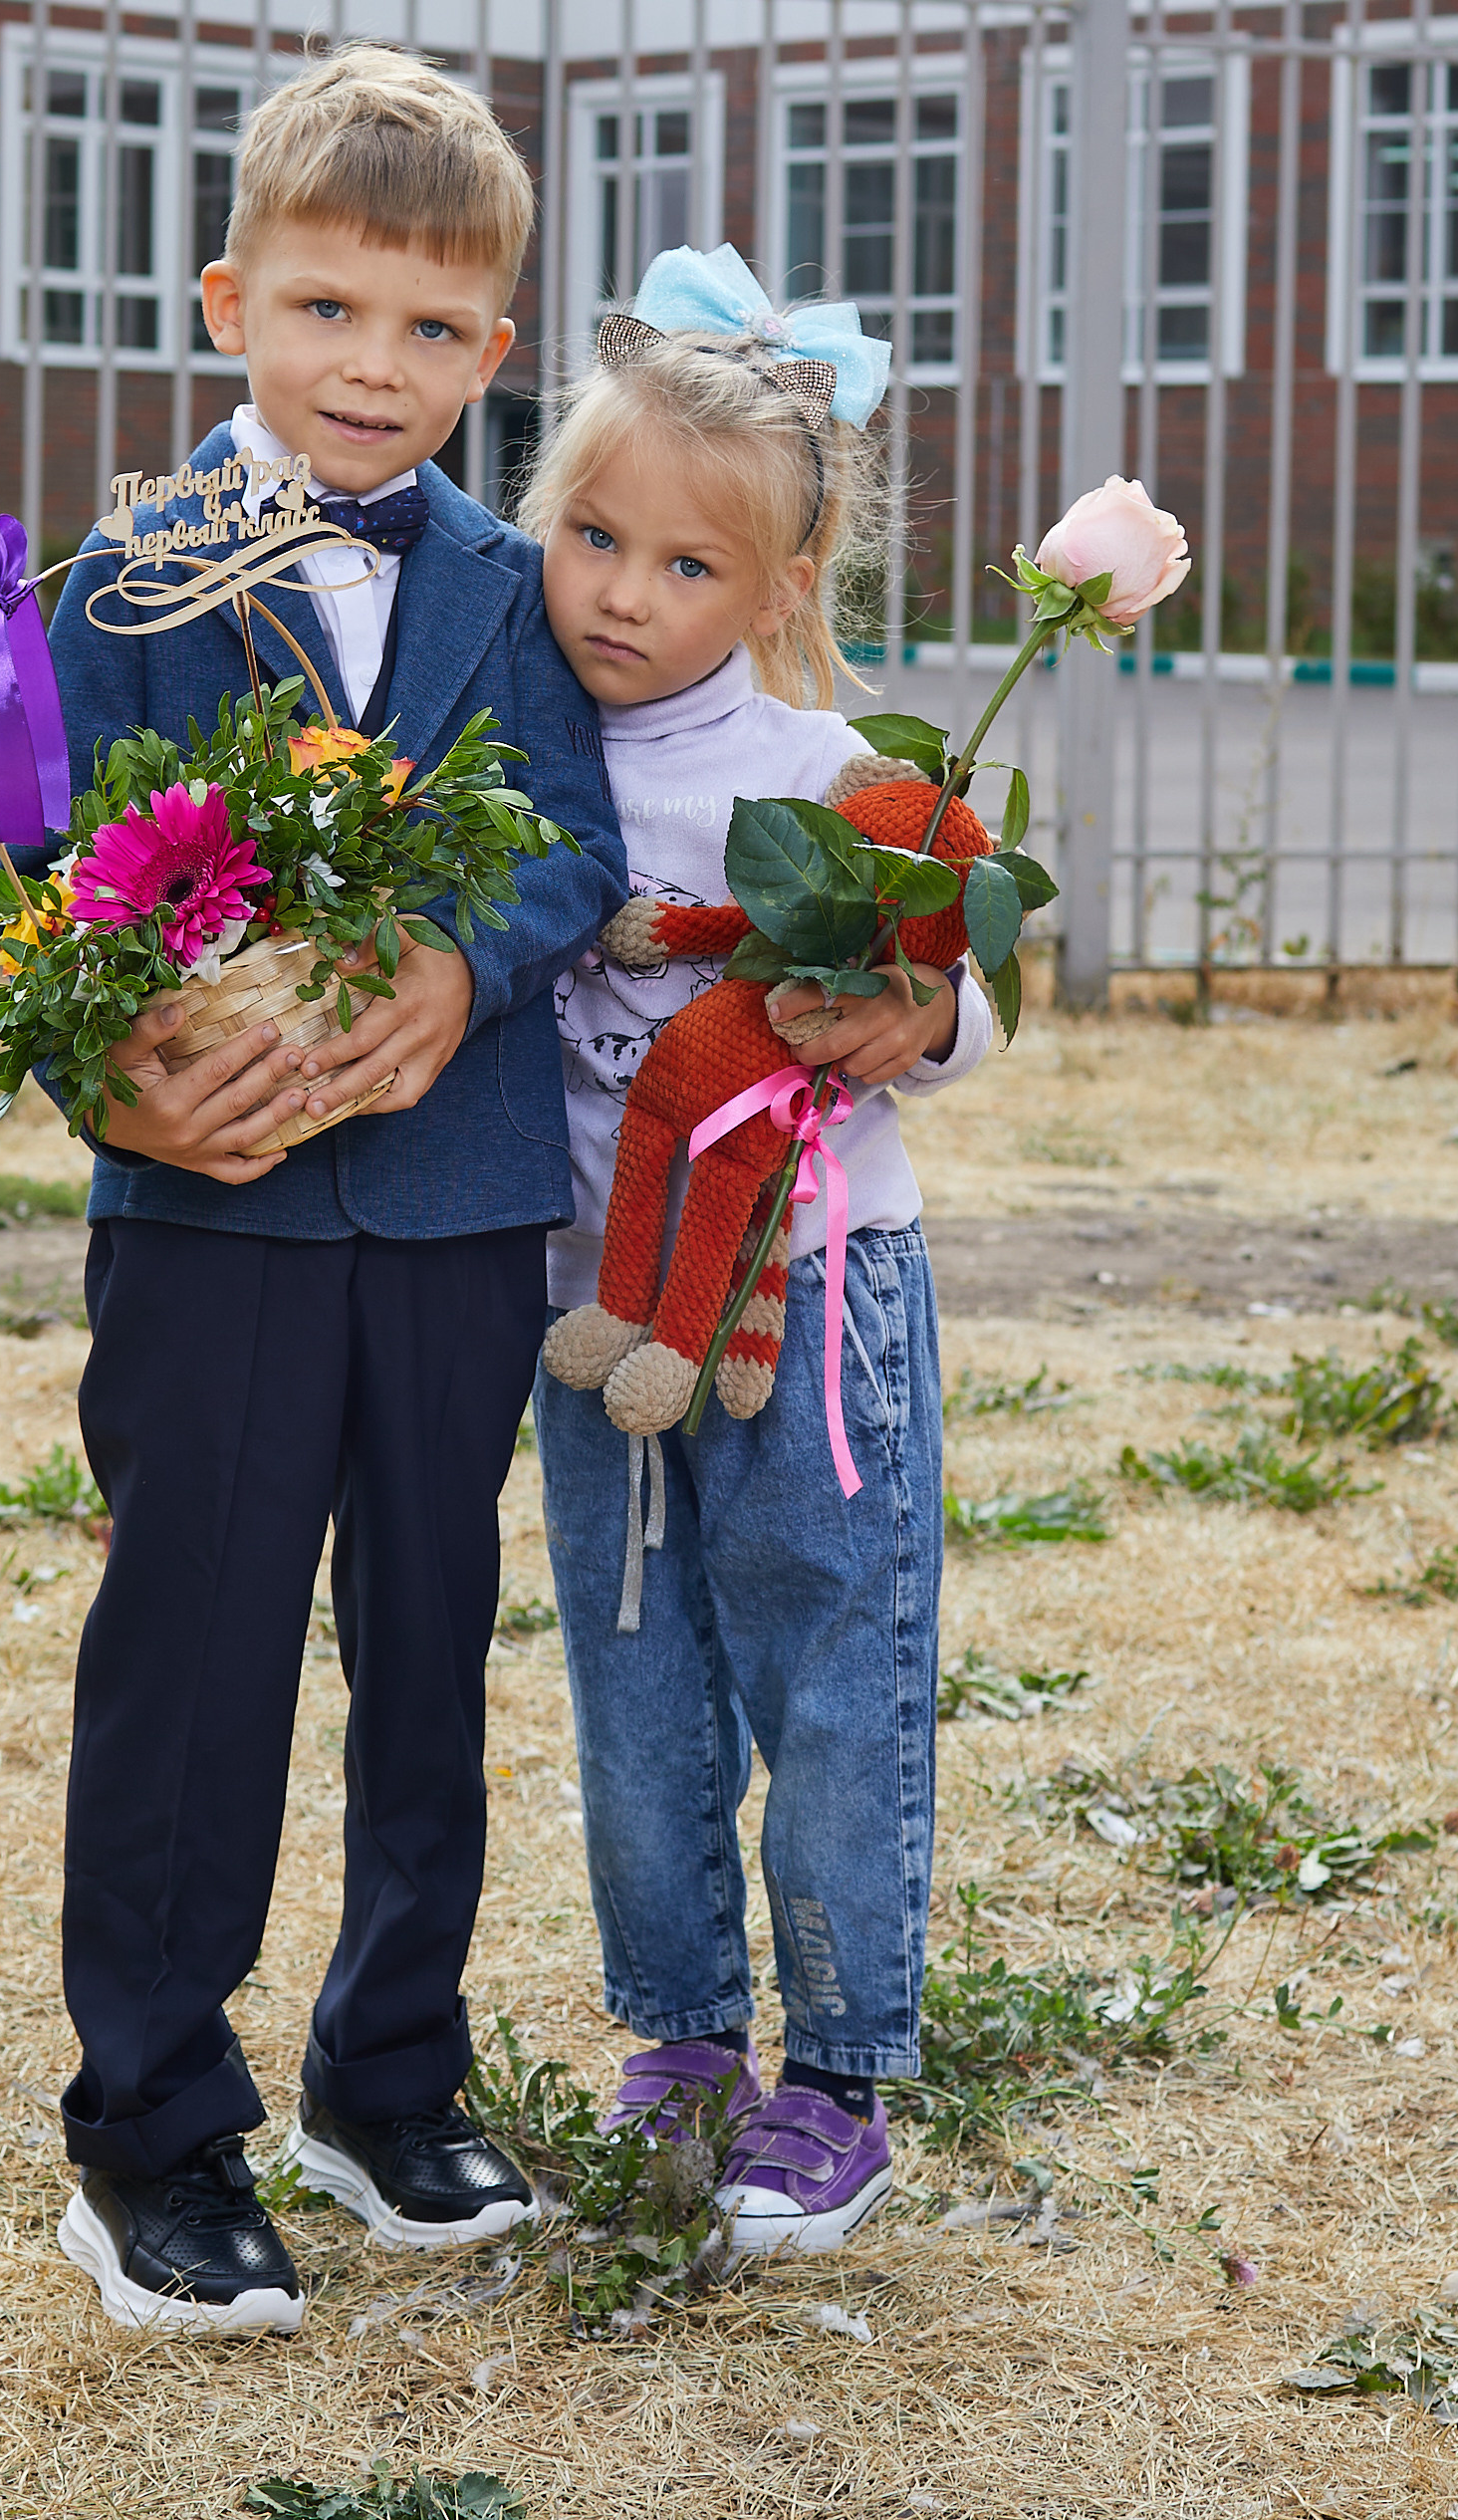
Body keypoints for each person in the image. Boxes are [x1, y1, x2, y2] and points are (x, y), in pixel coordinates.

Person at [43, 42, 627, 2335]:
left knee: (422, 1647)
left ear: (491, 352)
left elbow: (571, 837)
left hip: (461, 1205)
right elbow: (52, 871)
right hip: (223, 1207)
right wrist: (121, 1086)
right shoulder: (122, 574)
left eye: (423, 328)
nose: (367, 369)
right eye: (321, 312)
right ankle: (150, 2130)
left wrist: (461, 958)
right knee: (191, 1657)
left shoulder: (507, 576)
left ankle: (387, 2074)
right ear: (225, 307)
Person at [524, 249, 992, 2256]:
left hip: (806, 1310)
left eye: (687, 568)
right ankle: (683, 2041)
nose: (624, 593)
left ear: (780, 592)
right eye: (591, 537)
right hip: (599, 1316)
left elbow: (962, 1007)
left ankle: (841, 2074)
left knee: (828, 1673)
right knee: (635, 1694)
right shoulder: (510, 752)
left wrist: (916, 1020)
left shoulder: (817, 782)